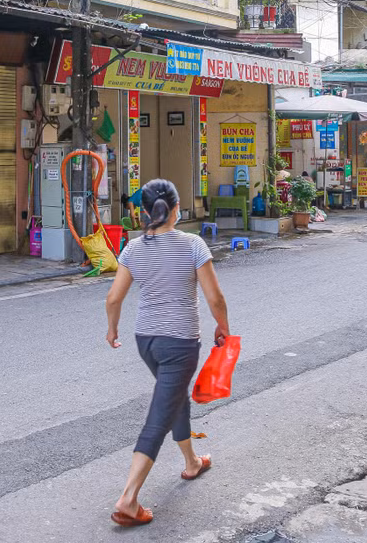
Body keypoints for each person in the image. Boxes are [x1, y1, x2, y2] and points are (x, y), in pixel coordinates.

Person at [104, 179, 230, 527]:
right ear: (177, 209)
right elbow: (215, 297)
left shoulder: (133, 248)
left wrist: (112, 330)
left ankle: (191, 462)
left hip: (147, 341)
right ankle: (128, 499)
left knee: (173, 396)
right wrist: (223, 326)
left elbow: (113, 299)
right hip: (180, 344)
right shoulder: (192, 244)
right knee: (160, 415)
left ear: (145, 212)